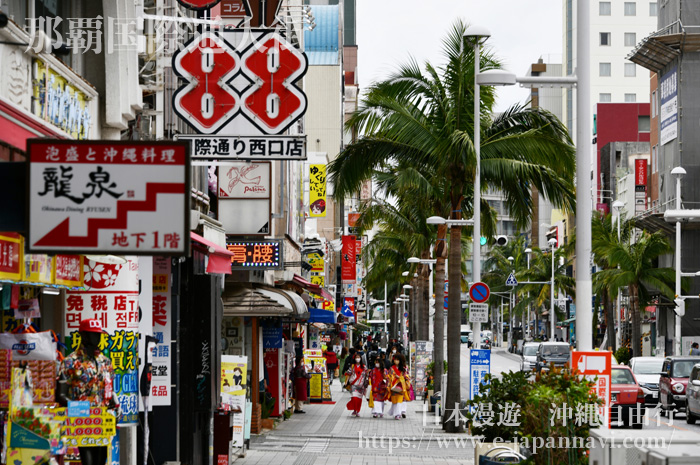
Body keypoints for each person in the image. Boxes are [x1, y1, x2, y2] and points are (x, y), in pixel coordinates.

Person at [58, 319, 120, 465]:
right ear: (84, 336)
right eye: (94, 335)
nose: (98, 338)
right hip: (83, 420)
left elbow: (109, 389)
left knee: (101, 460)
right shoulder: (70, 362)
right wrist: (77, 410)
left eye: (99, 335)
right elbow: (60, 395)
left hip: (103, 418)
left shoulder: (105, 362)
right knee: (88, 460)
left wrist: (117, 406)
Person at [387, 353, 410, 420]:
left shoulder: (404, 368)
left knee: (400, 400)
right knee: (395, 400)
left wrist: (400, 377)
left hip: (401, 386)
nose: (396, 361)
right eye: (395, 359)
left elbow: (407, 376)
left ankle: (398, 414)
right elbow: (390, 376)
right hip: (394, 386)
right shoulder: (392, 368)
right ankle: (395, 412)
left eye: (397, 360)